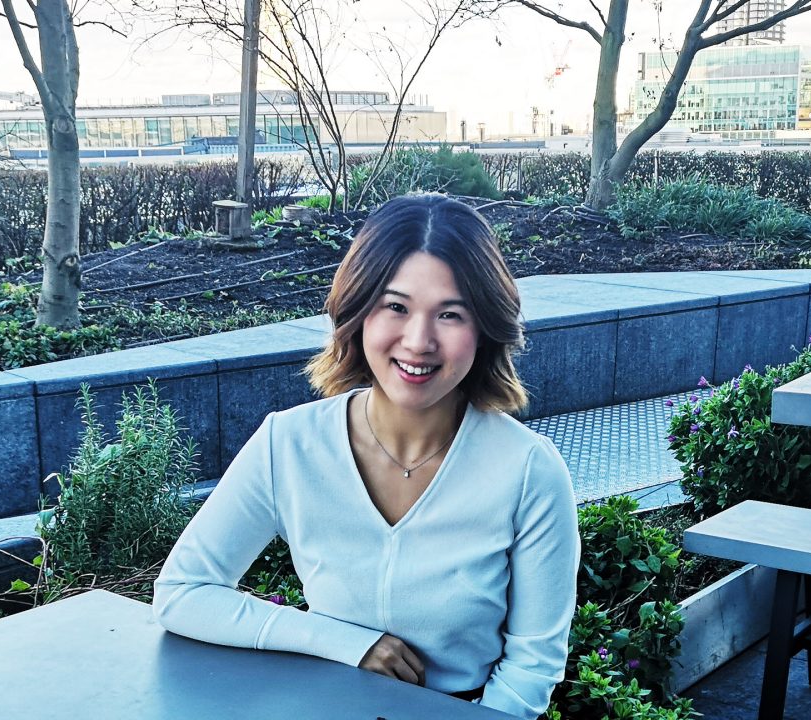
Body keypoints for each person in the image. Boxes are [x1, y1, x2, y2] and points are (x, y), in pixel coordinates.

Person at [152, 193, 579, 719]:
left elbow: (533, 665)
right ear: (356, 312)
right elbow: (183, 592)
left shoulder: (529, 471)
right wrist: (342, 641)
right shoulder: (287, 443)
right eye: (395, 307)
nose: (418, 341)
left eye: (450, 314)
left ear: (485, 327)